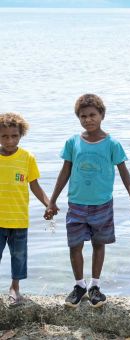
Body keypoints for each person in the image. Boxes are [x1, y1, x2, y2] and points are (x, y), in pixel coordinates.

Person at [44, 94, 130, 308]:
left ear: (102, 115)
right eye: (83, 116)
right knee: (75, 246)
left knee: (99, 244)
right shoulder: (73, 142)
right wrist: (52, 201)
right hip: (76, 204)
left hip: (102, 205)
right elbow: (65, 172)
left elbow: (125, 174)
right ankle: (79, 286)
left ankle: (95, 286)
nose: (88, 119)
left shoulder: (112, 144)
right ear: (78, 118)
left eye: (92, 115)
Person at [0, 112, 49, 307]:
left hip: (19, 218)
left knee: (19, 256)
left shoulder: (27, 157)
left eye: (14, 136)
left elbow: (34, 185)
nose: (10, 140)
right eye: (4, 136)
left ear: (21, 135)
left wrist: (49, 203)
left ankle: (15, 288)